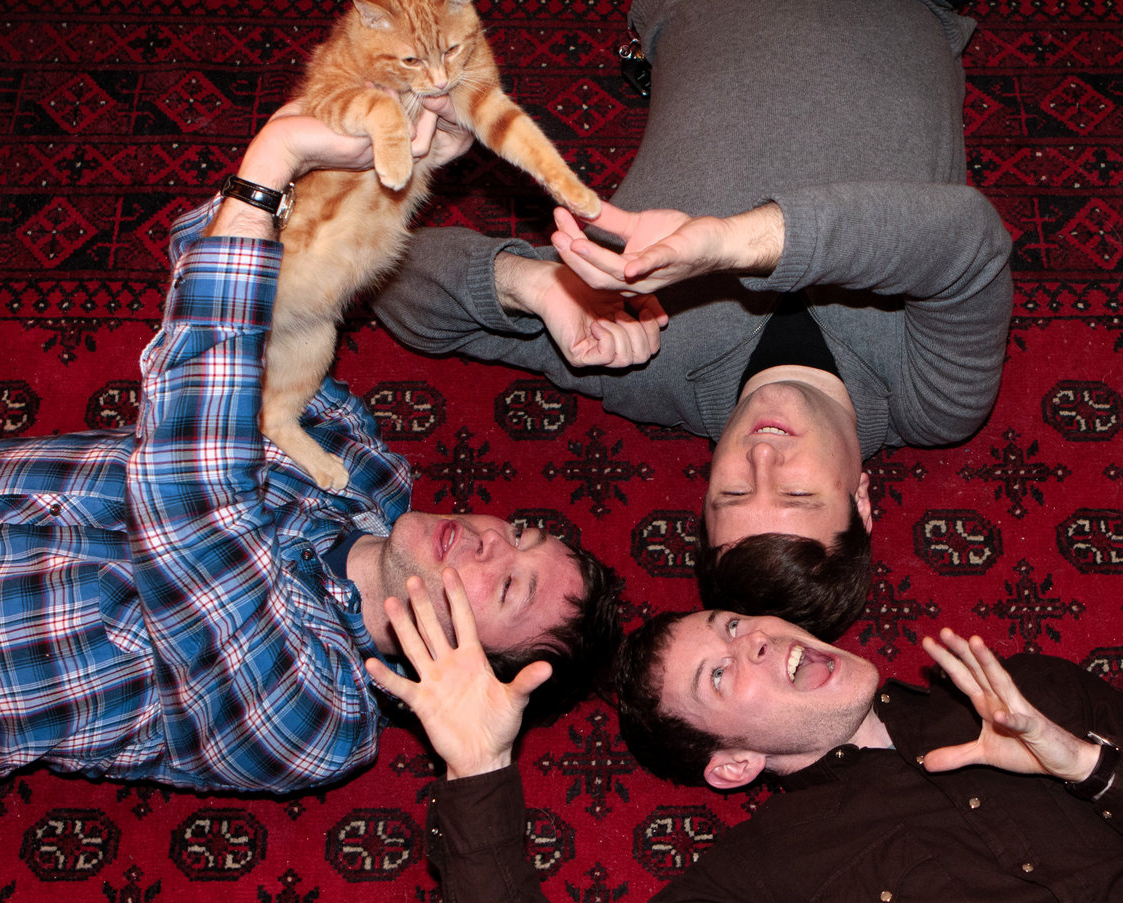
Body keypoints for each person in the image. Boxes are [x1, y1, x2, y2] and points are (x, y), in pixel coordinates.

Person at [0, 102, 621, 794]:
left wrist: (272, 168)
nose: (493, 541)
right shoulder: (360, 465)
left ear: (468, 673)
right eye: (520, 533)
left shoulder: (322, 722)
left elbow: (192, 507)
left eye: (510, 586)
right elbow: (246, 294)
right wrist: (380, 169)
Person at [368, 0, 1013, 640]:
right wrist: (730, 245)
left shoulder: (641, 361)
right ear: (862, 502)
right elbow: (967, 241)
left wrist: (535, 286)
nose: (762, 457)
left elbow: (387, 276)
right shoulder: (931, 402)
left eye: (732, 495)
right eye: (796, 495)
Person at [372, 586, 1123, 903]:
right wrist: (478, 766)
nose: (752, 640)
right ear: (734, 764)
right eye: (720, 674)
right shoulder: (757, 878)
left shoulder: (1029, 691)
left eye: (735, 625)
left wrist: (1087, 768)